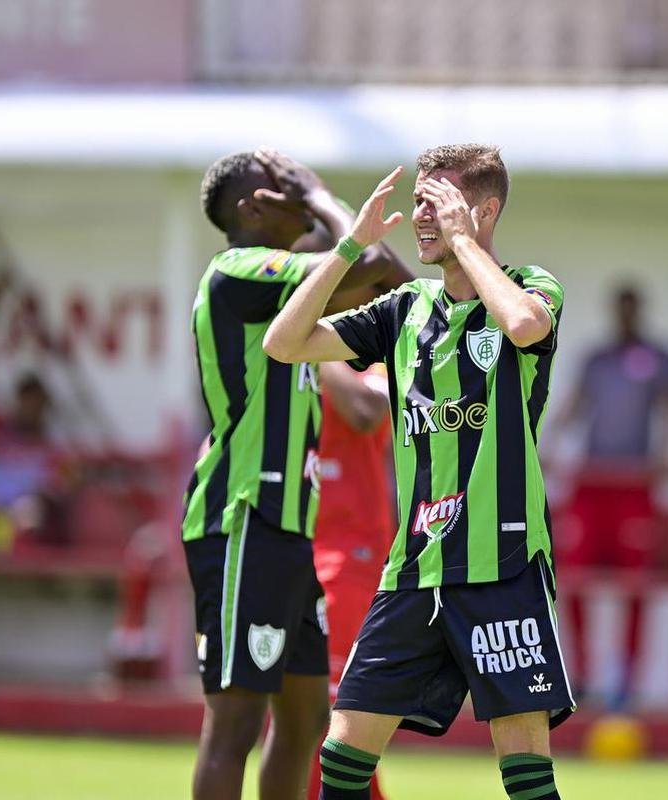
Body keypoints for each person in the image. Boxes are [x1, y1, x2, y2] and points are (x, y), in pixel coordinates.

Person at [265, 144, 573, 800]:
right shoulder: (402, 311)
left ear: (484, 210)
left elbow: (521, 326)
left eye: (438, 203)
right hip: (412, 570)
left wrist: (465, 244)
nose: (421, 218)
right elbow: (283, 343)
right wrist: (350, 247)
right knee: (342, 753)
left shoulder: (531, 285)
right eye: (418, 204)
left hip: (504, 566)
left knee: (523, 765)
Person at [184, 148, 409, 800]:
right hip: (240, 517)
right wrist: (317, 193)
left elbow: (387, 276)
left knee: (306, 716)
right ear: (254, 209)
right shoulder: (240, 271)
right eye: (277, 189)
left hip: (288, 532)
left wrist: (321, 205)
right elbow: (366, 260)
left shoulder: (288, 285)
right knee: (235, 722)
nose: (293, 196)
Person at [543, 284, 668, 709]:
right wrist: (548, 445)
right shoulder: (596, 359)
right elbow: (574, 406)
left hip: (634, 484)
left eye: (631, 308)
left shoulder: (660, 358)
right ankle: (582, 670)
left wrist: (666, 457)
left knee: (635, 580)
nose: (624, 316)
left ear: (640, 310)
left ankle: (627, 674)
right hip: (592, 480)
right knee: (575, 574)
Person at [305, 357, 394, 800]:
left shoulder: (378, 368)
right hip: (294, 551)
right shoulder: (291, 373)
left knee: (330, 713)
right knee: (305, 715)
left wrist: (311, 348)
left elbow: (366, 413)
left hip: (350, 559)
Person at [0, 323, 71, 552]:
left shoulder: (52, 447)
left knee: (30, 514)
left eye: (37, 403)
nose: (31, 408)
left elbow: (60, 486)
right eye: (27, 402)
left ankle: (12, 555)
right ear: (18, 402)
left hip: (28, 520)